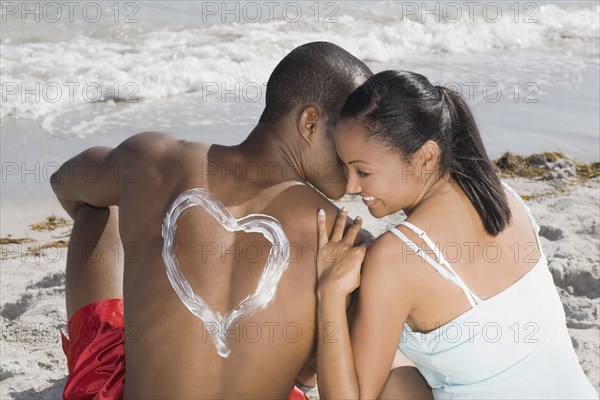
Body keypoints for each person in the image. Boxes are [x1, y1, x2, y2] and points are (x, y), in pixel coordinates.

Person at [51, 43, 429, 399]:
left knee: (98, 208)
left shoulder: (151, 160)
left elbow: (64, 182)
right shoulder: (345, 240)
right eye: (350, 137)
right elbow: (313, 375)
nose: (353, 170)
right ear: (310, 123)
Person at [315, 70, 599, 399]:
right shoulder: (504, 198)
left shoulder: (396, 257)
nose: (351, 187)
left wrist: (330, 293)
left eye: (363, 171)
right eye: (345, 168)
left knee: (385, 371)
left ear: (424, 157)